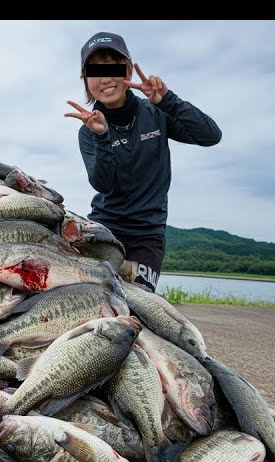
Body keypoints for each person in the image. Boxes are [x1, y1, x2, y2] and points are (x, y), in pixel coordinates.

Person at [65, 31, 222, 292]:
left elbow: (210, 136)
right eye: (95, 72)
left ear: (127, 70)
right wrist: (102, 136)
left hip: (148, 233)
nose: (105, 79)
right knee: (90, 297)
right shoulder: (88, 130)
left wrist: (169, 101)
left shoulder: (156, 112)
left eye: (113, 68)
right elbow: (102, 184)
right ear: (86, 80)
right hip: (105, 227)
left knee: (139, 304)